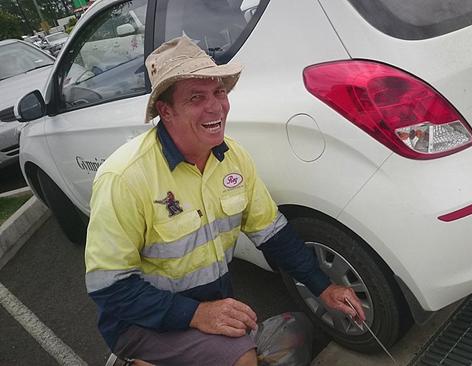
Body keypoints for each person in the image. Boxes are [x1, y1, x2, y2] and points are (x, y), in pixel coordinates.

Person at [84, 35, 365, 366]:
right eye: (196, 97)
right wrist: (197, 314)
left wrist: (322, 287)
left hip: (207, 305)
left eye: (219, 91)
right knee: (242, 357)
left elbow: (272, 233)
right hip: (138, 321)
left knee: (266, 338)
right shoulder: (124, 178)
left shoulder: (234, 158)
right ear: (166, 110)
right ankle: (135, 359)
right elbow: (110, 290)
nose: (215, 106)